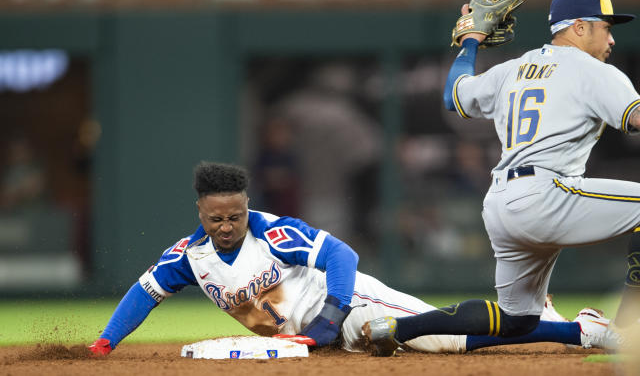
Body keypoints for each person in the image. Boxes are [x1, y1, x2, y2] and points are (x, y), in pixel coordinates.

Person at [363, 0, 640, 356]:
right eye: (605, 27)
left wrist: (471, 42)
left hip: (501, 204)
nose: (611, 38)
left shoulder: (513, 69)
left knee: (516, 320)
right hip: (548, 196)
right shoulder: (595, 72)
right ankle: (624, 331)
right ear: (578, 27)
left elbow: (455, 96)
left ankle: (394, 328)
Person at [89, 161, 609, 357]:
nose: (226, 226)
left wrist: (333, 311)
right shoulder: (190, 256)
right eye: (215, 218)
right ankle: (547, 318)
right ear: (200, 213)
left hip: (350, 301)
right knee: (418, 345)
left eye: (235, 215)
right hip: (317, 337)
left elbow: (342, 253)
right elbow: (145, 292)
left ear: (245, 207)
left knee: (441, 341)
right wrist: (107, 340)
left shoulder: (273, 231)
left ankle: (574, 331)